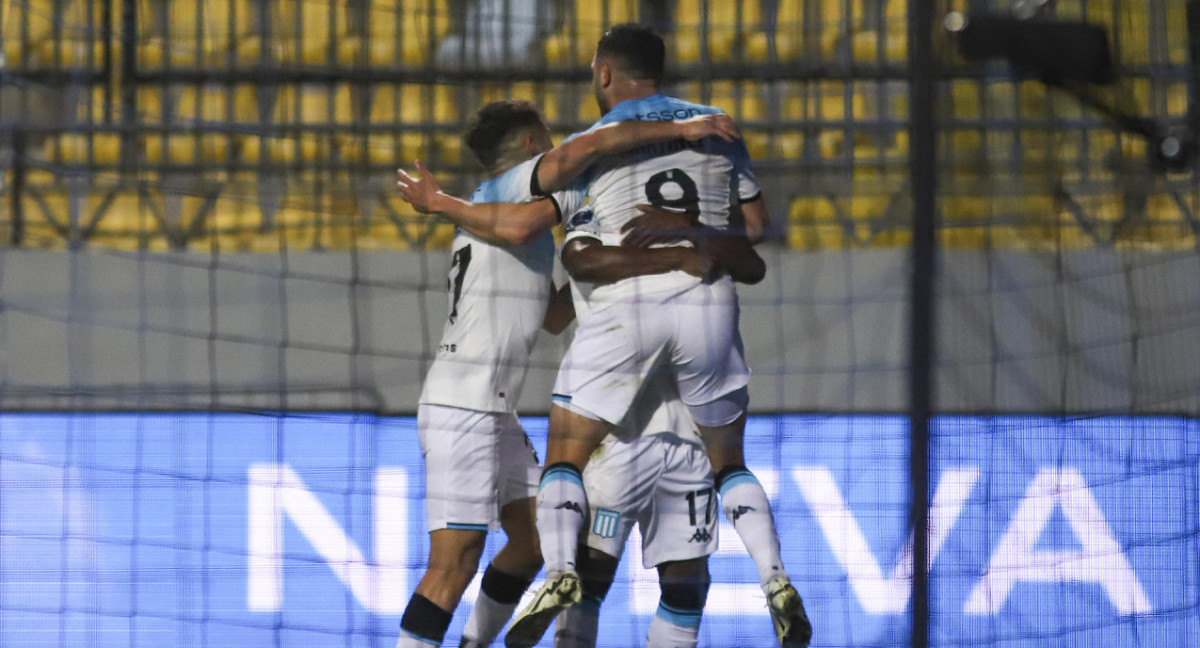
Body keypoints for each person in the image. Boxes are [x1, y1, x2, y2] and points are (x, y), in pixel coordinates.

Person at [394, 99, 744, 648]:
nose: (559, 146)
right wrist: (685, 128)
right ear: (534, 145)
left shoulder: (505, 215)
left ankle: (473, 644)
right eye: (549, 138)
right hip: (463, 409)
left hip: (492, 410)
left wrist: (610, 268)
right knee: (451, 565)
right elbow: (590, 150)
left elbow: (555, 316)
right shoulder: (510, 191)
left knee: (540, 534)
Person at [507, 23, 812, 648]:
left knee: (574, 501)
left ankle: (557, 572)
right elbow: (754, 241)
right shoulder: (721, 130)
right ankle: (774, 575)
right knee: (690, 574)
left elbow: (579, 255)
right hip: (707, 323)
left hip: (626, 380)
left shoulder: (592, 150)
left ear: (602, 73)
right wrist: (694, 235)